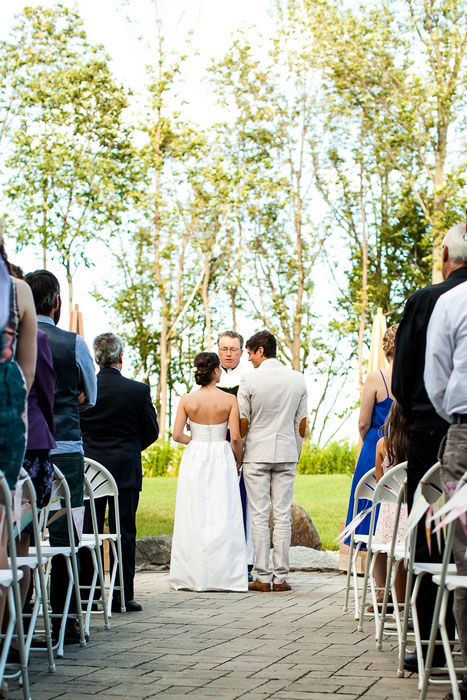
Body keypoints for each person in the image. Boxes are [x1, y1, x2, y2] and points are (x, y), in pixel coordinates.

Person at [392, 222, 467, 673]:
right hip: (446, 423)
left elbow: (405, 380)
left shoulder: (426, 301)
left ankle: (431, 645)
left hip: (437, 428)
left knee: (431, 535)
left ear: (444, 254)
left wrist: (439, 415)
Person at [25, 269, 96, 644]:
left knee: (20, 536)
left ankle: (17, 622)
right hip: (67, 450)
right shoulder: (73, 343)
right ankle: (65, 623)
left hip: (25, 449)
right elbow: (92, 395)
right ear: (57, 303)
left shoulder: (15, 339)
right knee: (67, 540)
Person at [79, 333, 159, 612]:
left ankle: (88, 592)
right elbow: (152, 431)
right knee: (124, 531)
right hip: (125, 470)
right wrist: (131, 448)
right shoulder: (137, 391)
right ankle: (122, 595)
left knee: (88, 532)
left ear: (96, 359)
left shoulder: (85, 390)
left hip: (89, 473)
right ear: (121, 357)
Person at [169, 352, 247, 592]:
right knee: (223, 512)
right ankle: (226, 577)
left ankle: (192, 575)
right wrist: (239, 459)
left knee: (195, 512)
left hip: (196, 455)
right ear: (215, 371)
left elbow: (176, 435)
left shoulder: (187, 400)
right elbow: (235, 437)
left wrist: (196, 440)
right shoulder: (229, 400)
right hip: (221, 456)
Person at [237, 330, 308, 592]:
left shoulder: (249, 380)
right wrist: (295, 453)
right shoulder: (297, 380)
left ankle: (262, 577)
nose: (248, 359)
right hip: (286, 452)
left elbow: (243, 422)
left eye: (249, 353)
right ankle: (281, 578)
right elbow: (301, 425)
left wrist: (240, 455)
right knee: (282, 515)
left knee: (258, 515)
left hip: (257, 453)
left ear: (260, 351)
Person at [424, 279, 467, 700]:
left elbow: (436, 379)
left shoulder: (452, 301)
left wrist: (456, 421)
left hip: (465, 438)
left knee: (465, 556)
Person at [344, 325, 397, 544]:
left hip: (375, 444)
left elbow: (363, 422)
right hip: (403, 444)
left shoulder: (377, 378)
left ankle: (373, 570)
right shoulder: (416, 378)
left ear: (386, 349)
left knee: (369, 505)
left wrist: (368, 443)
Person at [217, 330, 255, 577]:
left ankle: (246, 560)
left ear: (242, 352)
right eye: (224, 349)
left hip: (244, 443)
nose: (228, 354)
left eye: (233, 349)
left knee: (244, 502)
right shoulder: (210, 377)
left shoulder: (251, 378)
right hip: (216, 446)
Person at [372, 401, 409, 605]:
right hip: (412, 513)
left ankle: (383, 594)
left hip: (389, 517)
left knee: (382, 551)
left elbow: (380, 484)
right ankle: (405, 602)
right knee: (404, 557)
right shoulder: (418, 445)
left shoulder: (382, 445)